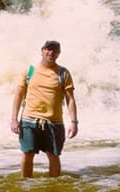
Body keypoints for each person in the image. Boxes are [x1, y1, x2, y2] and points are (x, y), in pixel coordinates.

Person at [10, 40, 78, 177]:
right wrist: (14, 119)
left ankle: (55, 186)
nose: (51, 52)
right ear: (42, 51)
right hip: (29, 120)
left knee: (53, 155)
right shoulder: (29, 71)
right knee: (27, 154)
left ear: (58, 54)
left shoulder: (63, 73)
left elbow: (70, 99)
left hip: (54, 122)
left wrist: (74, 122)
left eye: (55, 50)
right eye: (48, 49)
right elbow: (18, 95)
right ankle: (25, 184)